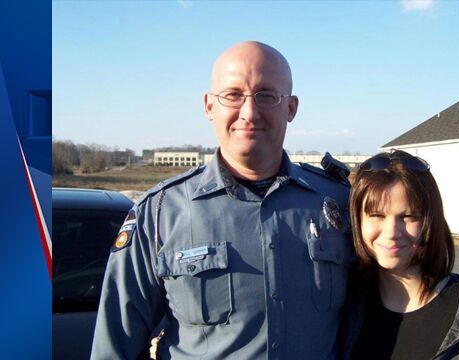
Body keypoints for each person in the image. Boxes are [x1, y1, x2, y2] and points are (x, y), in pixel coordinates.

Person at [91, 41, 354, 359]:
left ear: (291, 108)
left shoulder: (339, 203)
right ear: (208, 105)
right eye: (233, 95)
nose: (249, 112)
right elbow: (114, 347)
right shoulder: (159, 213)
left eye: (267, 96)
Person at [341, 150, 459, 359]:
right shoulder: (341, 314)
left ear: (430, 220)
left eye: (409, 216)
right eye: (376, 215)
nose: (391, 232)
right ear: (358, 221)